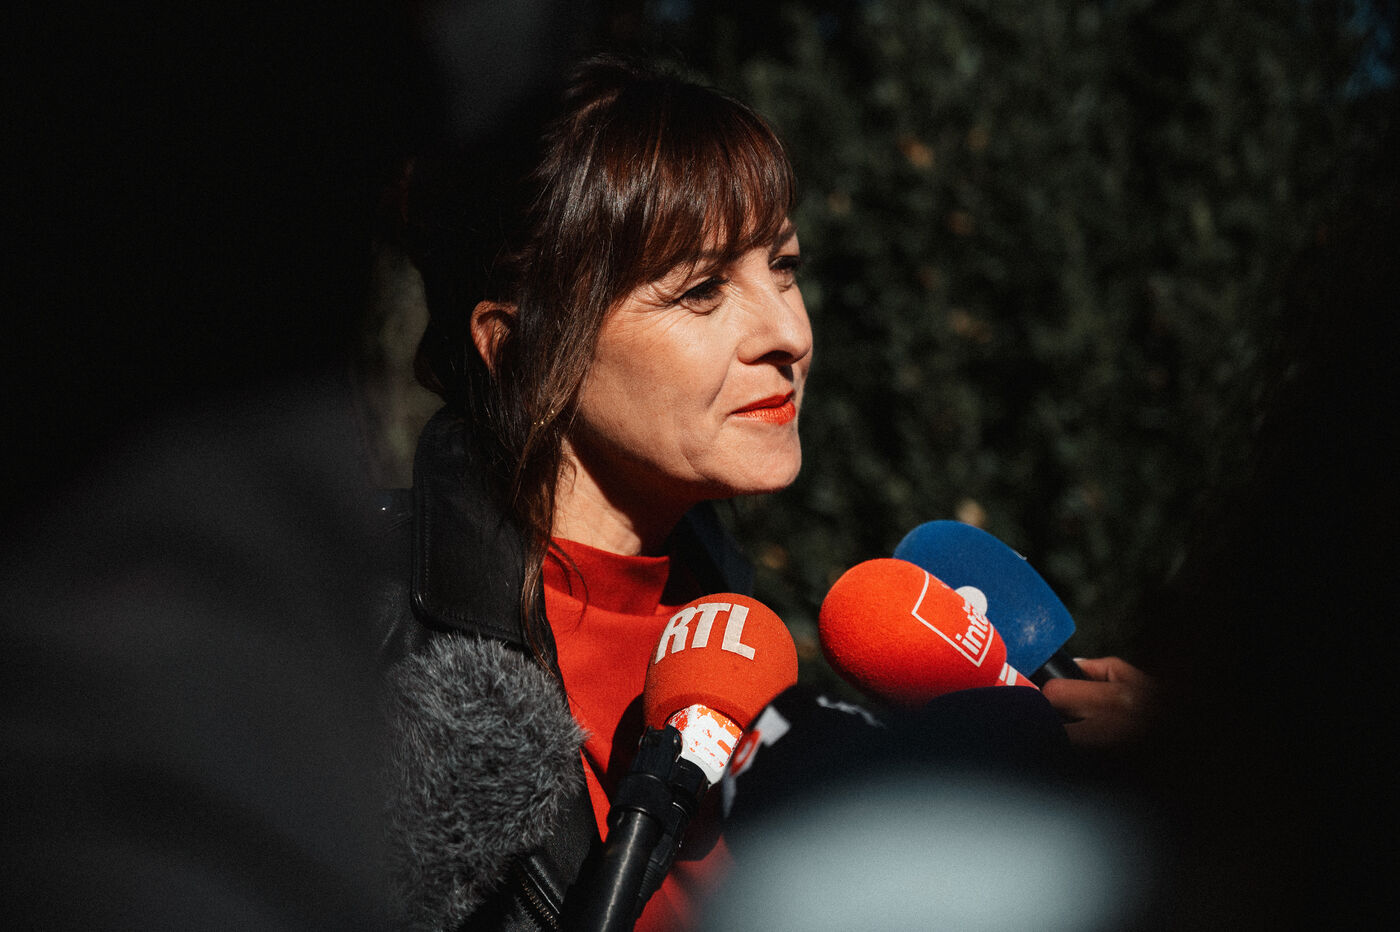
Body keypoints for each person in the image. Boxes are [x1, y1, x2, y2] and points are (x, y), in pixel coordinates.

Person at [372, 55, 811, 932]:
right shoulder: (372, 655)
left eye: (785, 265)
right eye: (701, 289)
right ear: (519, 345)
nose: (787, 333)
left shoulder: (736, 628)